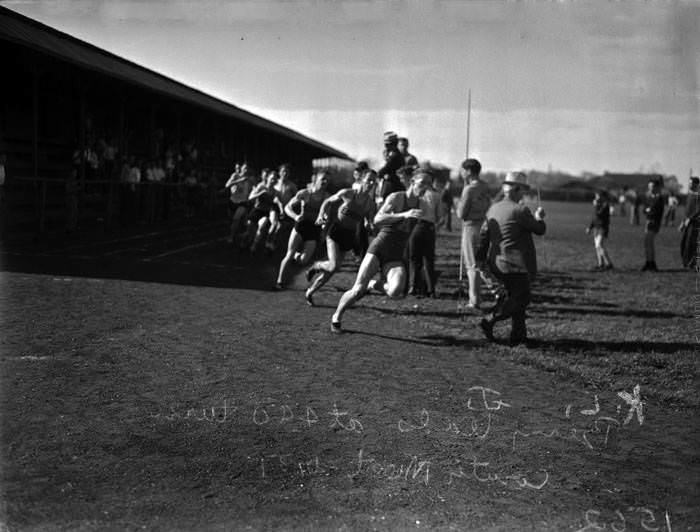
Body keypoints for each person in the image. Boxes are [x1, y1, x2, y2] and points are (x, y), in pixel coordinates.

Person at [329, 170, 432, 333]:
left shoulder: (423, 205)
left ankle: (373, 285)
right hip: (380, 247)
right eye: (422, 183)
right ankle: (337, 316)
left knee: (396, 291)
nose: (425, 187)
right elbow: (377, 219)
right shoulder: (397, 198)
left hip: (396, 253)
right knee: (357, 289)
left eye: (428, 184)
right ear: (412, 182)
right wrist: (405, 214)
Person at [476, 171, 546, 345]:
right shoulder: (521, 210)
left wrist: (481, 259)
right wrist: (540, 218)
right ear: (515, 190)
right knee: (522, 298)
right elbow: (539, 230)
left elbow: (484, 235)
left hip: (496, 261)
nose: (524, 194)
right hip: (515, 263)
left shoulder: (493, 208)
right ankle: (489, 319)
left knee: (516, 298)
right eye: (522, 190)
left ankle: (518, 336)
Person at [305, 170, 378, 306]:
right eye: (369, 180)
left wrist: (370, 224)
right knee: (334, 265)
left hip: (349, 235)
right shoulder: (348, 193)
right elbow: (327, 201)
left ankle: (310, 291)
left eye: (374, 181)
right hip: (335, 231)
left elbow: (369, 219)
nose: (371, 183)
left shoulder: (370, 203)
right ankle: (316, 265)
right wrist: (321, 215)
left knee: (332, 270)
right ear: (362, 179)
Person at [275, 170, 330, 289]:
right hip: (301, 226)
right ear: (315, 180)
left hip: (314, 229)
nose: (325, 182)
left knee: (303, 260)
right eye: (323, 179)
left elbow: (328, 215)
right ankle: (279, 282)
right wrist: (295, 216)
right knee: (289, 255)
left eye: (327, 180)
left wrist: (324, 224)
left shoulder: (327, 198)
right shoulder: (305, 193)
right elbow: (287, 207)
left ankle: (296, 255)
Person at [457, 158, 491, 309]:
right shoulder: (485, 186)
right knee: (482, 263)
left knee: (472, 264)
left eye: (462, 170)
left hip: (471, 227)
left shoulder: (469, 189)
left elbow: (461, 213)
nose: (460, 172)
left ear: (469, 171)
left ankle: (474, 300)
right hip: (484, 225)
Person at [407, 173, 443, 297]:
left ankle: (413, 286)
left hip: (416, 225)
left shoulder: (416, 194)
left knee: (414, 258)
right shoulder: (436, 195)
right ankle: (430, 289)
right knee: (428, 259)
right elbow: (440, 217)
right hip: (430, 227)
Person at [243, 169, 282, 253]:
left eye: (275, 179)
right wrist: (260, 193)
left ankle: (254, 246)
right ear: (267, 178)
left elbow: (277, 202)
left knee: (262, 225)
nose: (273, 181)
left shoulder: (275, 192)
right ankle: (243, 239)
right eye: (271, 178)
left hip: (265, 212)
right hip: (257, 210)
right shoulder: (261, 186)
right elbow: (250, 198)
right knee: (249, 232)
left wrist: (278, 207)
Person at [267, 163, 297, 251]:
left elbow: (297, 197)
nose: (285, 174)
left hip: (286, 209)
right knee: (274, 223)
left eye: (287, 172)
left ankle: (272, 243)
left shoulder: (292, 185)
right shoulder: (274, 183)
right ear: (279, 173)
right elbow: (269, 195)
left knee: (280, 227)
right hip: (274, 208)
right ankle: (267, 241)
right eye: (283, 171)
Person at [224, 163, 254, 245]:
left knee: (236, 219)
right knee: (232, 221)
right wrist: (238, 181)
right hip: (233, 201)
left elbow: (254, 189)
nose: (246, 170)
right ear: (241, 169)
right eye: (245, 169)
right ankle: (236, 233)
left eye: (247, 169)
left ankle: (231, 237)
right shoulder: (235, 176)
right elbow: (227, 185)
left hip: (243, 203)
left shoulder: (250, 179)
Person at [586, 190, 614, 271]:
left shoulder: (605, 205)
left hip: (602, 227)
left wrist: (595, 206)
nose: (596, 197)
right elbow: (594, 218)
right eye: (596, 196)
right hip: (596, 228)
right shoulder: (598, 205)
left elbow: (599, 214)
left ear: (602, 197)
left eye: (597, 196)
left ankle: (609, 264)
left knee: (600, 245)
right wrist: (590, 227)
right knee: (597, 247)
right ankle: (600, 264)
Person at [641, 178, 664, 271]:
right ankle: (648, 262)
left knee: (650, 242)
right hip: (648, 221)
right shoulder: (649, 197)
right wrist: (648, 210)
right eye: (649, 187)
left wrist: (649, 210)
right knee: (647, 243)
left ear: (657, 187)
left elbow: (657, 211)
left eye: (652, 187)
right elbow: (644, 209)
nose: (650, 189)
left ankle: (652, 263)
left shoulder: (659, 198)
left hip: (654, 222)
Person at [377, 131, 405, 204]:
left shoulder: (396, 156)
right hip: (386, 182)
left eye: (390, 144)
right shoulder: (387, 153)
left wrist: (377, 174)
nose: (387, 146)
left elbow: (385, 169)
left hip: (393, 184)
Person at [679, 176, 699, 269]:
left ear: (696, 184)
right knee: (683, 242)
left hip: (694, 223)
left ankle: (691, 263)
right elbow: (687, 210)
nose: (690, 184)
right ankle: (685, 262)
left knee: (690, 243)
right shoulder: (690, 195)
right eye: (689, 183)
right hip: (687, 222)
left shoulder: (698, 196)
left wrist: (690, 219)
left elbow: (698, 210)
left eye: (691, 183)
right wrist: (683, 222)